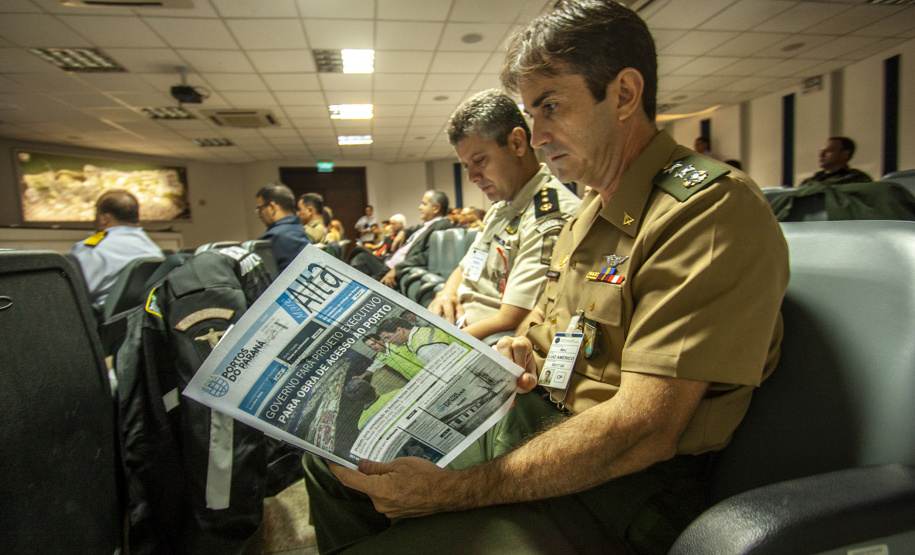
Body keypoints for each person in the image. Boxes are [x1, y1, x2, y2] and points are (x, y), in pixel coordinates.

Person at [303, 2, 790, 554]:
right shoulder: (593, 209)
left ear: (624, 95)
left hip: (624, 484)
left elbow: (645, 430)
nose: (536, 137)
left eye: (551, 106)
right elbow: (550, 326)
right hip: (541, 419)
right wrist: (520, 349)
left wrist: (453, 494)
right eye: (531, 114)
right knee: (336, 460)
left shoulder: (705, 211)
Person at [429, 89, 581, 341]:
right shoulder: (503, 206)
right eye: (466, 166)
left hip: (488, 343)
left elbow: (512, 318)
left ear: (517, 143)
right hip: (461, 327)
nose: (472, 177)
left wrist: (444, 342)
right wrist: (446, 293)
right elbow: (464, 268)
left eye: (480, 161)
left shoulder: (550, 218)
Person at [68, 189, 164, 306]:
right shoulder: (153, 249)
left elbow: (71, 291)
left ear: (104, 218)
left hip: (100, 315)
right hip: (145, 314)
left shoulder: (94, 249)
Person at [348, 191, 452, 288]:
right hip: (388, 262)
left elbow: (427, 255)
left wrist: (397, 268)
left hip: (394, 270)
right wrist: (403, 232)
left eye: (424, 204)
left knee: (361, 259)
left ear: (436, 208)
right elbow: (412, 229)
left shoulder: (442, 225)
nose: (420, 207)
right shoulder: (428, 225)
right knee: (359, 251)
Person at [255, 182, 310, 273]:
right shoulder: (300, 230)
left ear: (272, 207)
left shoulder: (272, 239)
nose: (259, 216)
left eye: (260, 209)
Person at [798, 136, 872, 187]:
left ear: (844, 154)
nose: (821, 155)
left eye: (828, 151)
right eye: (822, 151)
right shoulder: (809, 182)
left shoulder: (857, 180)